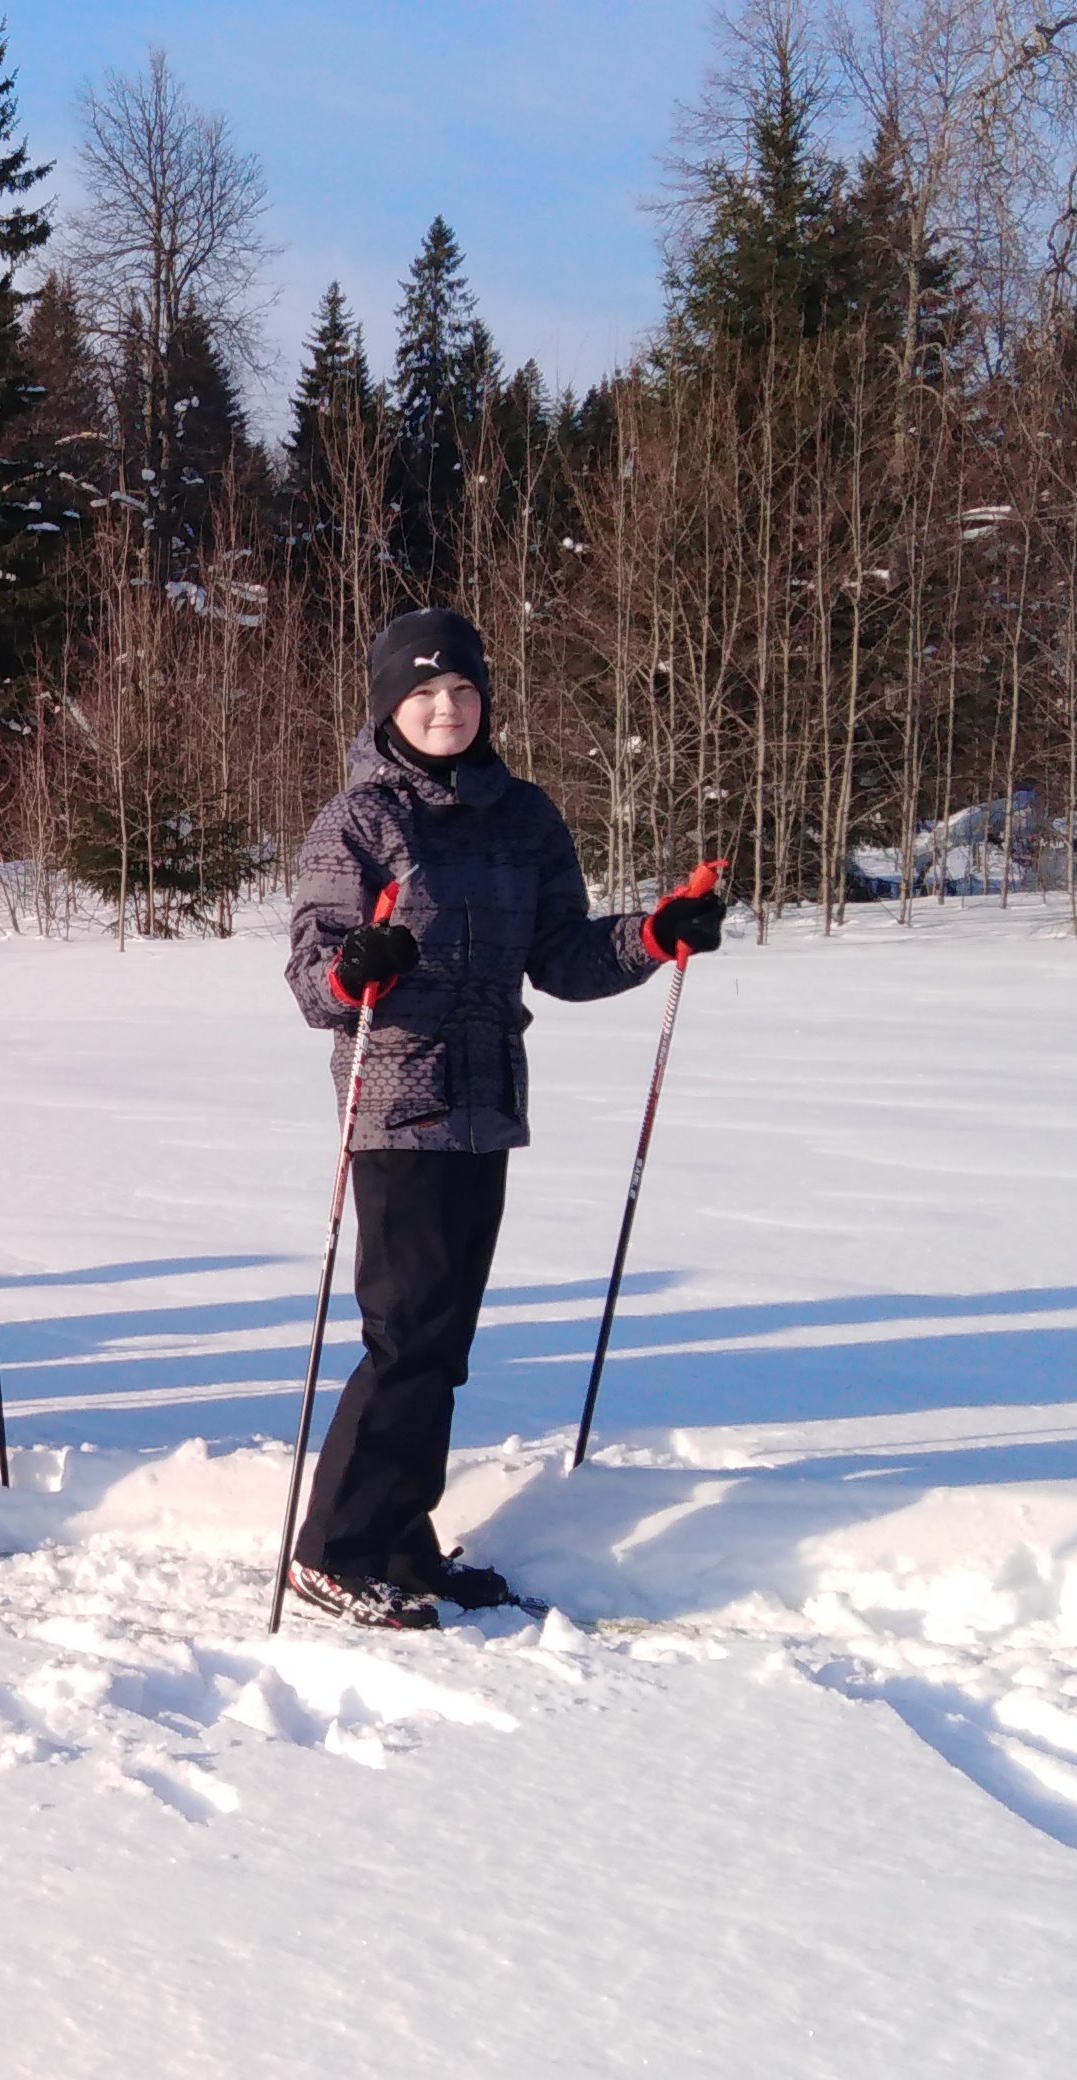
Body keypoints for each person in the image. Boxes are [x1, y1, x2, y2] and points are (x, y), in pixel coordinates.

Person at [279, 609, 716, 1629]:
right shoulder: (356, 821)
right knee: (405, 1336)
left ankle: (398, 1534)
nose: (445, 708)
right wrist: (355, 969)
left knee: (443, 1340)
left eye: (462, 692)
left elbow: (560, 955)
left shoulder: (523, 816)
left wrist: (651, 935)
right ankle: (334, 1548)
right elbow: (310, 978)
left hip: (485, 1102)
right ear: (391, 705)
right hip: (394, 1098)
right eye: (424, 694)